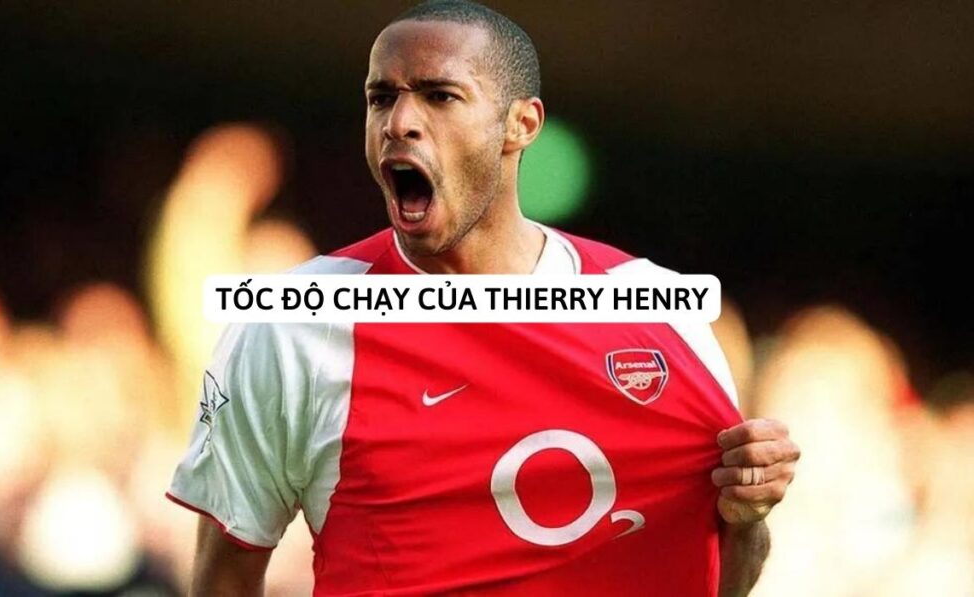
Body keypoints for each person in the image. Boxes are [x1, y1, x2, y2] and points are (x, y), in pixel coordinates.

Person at [167, 1, 800, 595]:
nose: (399, 123)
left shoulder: (657, 311)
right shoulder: (293, 326)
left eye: (440, 96)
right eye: (381, 98)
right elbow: (225, 577)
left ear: (521, 125)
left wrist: (746, 516)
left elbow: (716, 574)